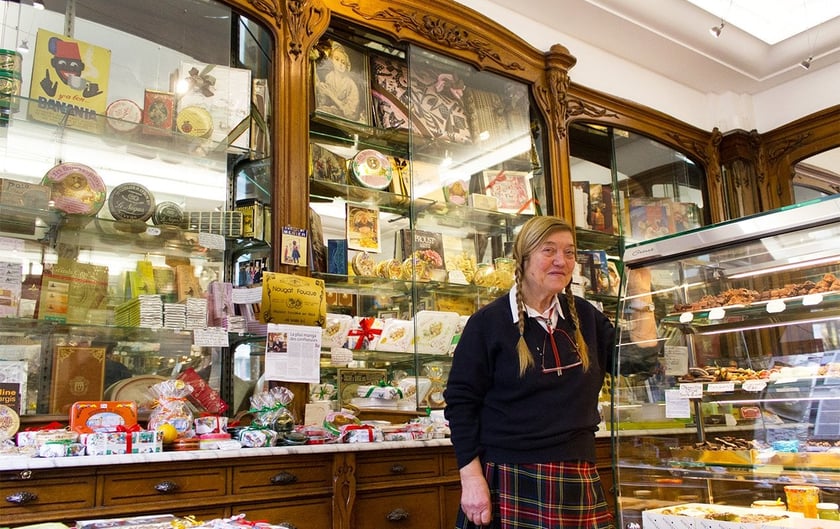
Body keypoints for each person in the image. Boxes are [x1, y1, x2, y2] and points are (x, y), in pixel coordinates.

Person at [444, 216, 616, 529]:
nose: (561, 261)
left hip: (578, 474)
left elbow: (638, 361)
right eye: (548, 250)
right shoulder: (488, 323)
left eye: (569, 252)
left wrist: (642, 293)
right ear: (523, 258)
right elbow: (460, 404)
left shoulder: (587, 317)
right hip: (510, 475)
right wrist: (471, 480)